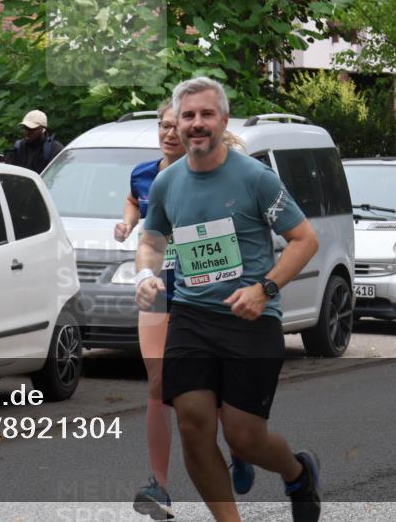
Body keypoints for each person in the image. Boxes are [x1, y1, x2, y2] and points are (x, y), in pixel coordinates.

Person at [135, 76, 322, 522]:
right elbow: (153, 238)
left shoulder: (255, 177)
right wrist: (145, 272)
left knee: (243, 438)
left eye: (206, 115)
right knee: (194, 424)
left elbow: (304, 240)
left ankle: (298, 473)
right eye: (188, 116)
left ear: (223, 120)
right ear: (176, 123)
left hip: (251, 321)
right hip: (193, 318)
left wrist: (264, 289)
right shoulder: (166, 183)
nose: (196, 124)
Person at [119, 105, 254, 520]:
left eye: (174, 126)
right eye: (162, 126)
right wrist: (128, 225)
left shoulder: (217, 175)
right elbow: (133, 199)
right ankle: (159, 485)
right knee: (159, 382)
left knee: (209, 391)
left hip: (206, 293)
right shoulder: (145, 174)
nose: (168, 133)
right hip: (160, 292)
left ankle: (238, 448)